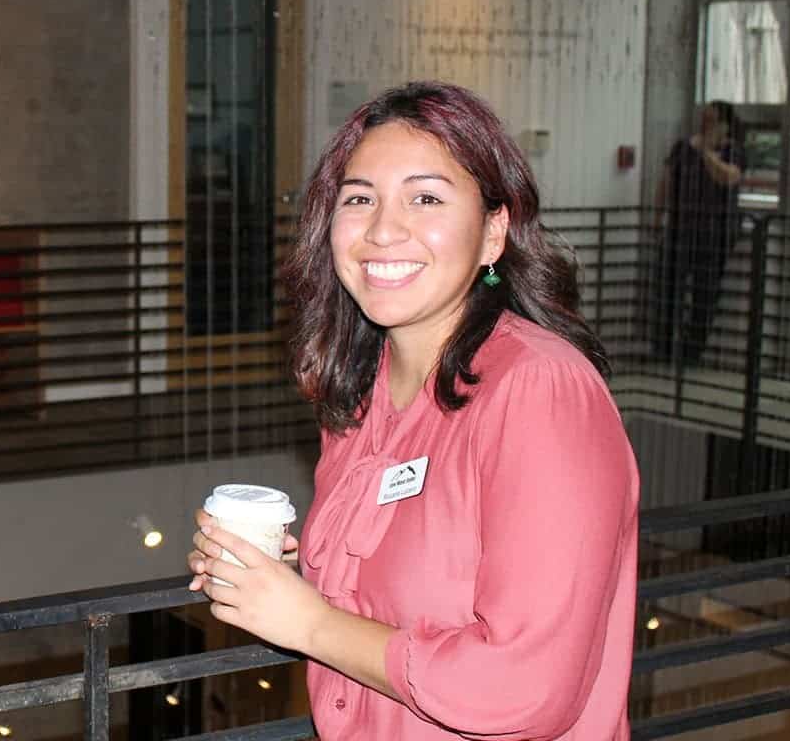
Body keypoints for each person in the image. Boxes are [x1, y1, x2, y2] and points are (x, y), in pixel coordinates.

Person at [187, 82, 639, 739]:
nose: (382, 230)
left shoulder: (540, 390)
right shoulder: (360, 393)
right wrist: (271, 584)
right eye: (360, 199)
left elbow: (525, 686)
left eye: (424, 198)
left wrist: (307, 622)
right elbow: (395, 607)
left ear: (493, 232)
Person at [649, 100, 745, 365]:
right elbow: (666, 182)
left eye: (712, 119)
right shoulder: (682, 147)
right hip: (680, 228)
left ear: (725, 124)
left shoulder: (732, 151)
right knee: (668, 287)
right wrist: (657, 217)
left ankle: (692, 352)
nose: (706, 124)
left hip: (715, 233)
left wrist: (707, 153)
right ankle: (664, 349)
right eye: (704, 118)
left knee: (705, 292)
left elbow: (728, 177)